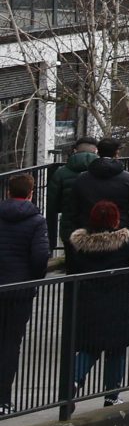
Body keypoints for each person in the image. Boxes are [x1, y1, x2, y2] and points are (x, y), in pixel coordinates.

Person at [64, 199, 129, 406]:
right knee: (117, 349)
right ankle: (112, 395)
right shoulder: (124, 243)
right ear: (116, 220)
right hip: (119, 302)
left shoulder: (80, 245)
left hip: (89, 302)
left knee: (90, 347)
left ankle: (73, 381)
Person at [0, 171, 47, 408]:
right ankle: (3, 399)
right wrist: (34, 279)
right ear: (31, 194)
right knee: (11, 343)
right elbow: (40, 257)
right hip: (20, 289)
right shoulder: (36, 221)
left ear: (8, 191)